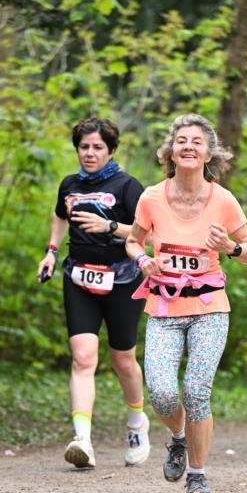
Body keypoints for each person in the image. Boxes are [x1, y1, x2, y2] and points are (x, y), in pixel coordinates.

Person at [125, 113, 247, 493]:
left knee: (196, 390)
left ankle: (197, 476)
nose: (188, 146)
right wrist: (142, 262)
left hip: (209, 309)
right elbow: (133, 242)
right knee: (163, 394)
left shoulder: (223, 200)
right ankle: (179, 438)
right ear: (170, 151)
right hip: (164, 308)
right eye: (181, 140)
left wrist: (230, 249)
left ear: (208, 153)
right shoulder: (152, 197)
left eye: (196, 141)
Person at [37, 117, 150, 469]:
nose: (89, 153)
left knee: (122, 360)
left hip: (123, 280)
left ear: (111, 150)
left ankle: (136, 423)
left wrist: (110, 227)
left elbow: (150, 232)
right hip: (79, 278)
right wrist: (51, 252)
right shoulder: (69, 184)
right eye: (84, 147)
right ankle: (82, 439)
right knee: (83, 357)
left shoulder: (128, 186)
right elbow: (60, 216)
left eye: (97, 147)